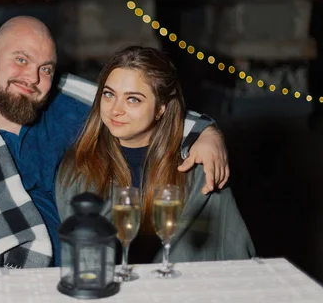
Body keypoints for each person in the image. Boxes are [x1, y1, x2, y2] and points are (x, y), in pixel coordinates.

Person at [0, 16, 230, 302]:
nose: (33, 78)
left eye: (46, 69)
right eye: (20, 59)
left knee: (202, 179)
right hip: (8, 288)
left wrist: (206, 133)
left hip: (89, 273)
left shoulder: (63, 109)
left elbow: (137, 110)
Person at [57, 46, 255, 265]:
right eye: (109, 94)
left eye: (133, 99)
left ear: (161, 108)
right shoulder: (81, 167)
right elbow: (81, 257)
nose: (115, 109)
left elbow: (227, 248)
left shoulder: (195, 167)